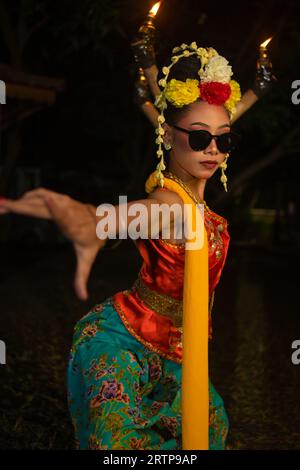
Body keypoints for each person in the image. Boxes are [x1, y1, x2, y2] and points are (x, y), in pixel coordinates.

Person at [0, 42, 242, 450]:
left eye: (223, 139)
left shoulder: (196, 203)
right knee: (121, 445)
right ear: (168, 137)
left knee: (208, 430)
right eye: (200, 138)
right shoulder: (172, 205)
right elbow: (132, 216)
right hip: (122, 340)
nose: (213, 149)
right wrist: (93, 221)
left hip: (178, 352)